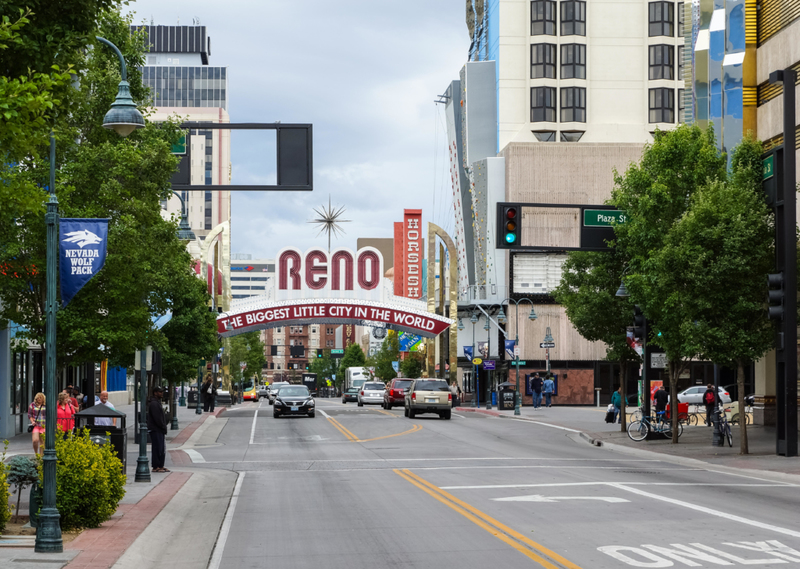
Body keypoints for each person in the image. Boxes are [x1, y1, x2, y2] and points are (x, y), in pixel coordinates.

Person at [147, 386, 169, 473]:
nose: (161, 393)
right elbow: (157, 418)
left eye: (162, 392)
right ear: (155, 393)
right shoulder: (154, 404)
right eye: (159, 392)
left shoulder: (156, 403)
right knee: (157, 448)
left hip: (159, 429)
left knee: (161, 448)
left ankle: (160, 465)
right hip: (156, 429)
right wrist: (163, 426)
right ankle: (156, 466)